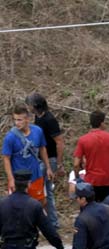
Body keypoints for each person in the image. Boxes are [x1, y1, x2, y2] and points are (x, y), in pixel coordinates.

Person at [25, 93, 65, 229]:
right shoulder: (38, 117)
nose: (28, 107)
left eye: (29, 104)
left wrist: (59, 164)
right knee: (44, 191)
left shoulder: (49, 119)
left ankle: (48, 222)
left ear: (36, 105)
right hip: (40, 159)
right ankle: (50, 222)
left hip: (50, 160)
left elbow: (59, 142)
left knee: (41, 190)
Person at [2, 104, 53, 204]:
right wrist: (11, 179)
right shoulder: (10, 137)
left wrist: (48, 167)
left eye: (20, 120)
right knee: (17, 207)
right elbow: (6, 158)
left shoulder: (37, 131)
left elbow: (42, 149)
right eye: (15, 119)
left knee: (41, 203)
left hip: (36, 176)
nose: (17, 123)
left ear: (27, 119)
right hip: (18, 181)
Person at [73, 110, 109, 202]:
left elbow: (76, 164)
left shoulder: (83, 140)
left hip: (91, 180)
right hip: (108, 180)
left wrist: (77, 178)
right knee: (106, 206)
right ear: (102, 123)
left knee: (91, 207)